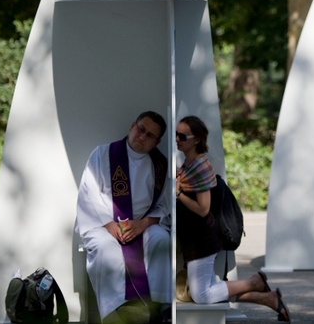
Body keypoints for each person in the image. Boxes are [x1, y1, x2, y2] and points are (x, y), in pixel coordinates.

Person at [175, 115, 291, 322]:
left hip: (203, 239)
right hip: (196, 238)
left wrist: (178, 194)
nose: (177, 139)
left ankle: (253, 282)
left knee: (202, 296)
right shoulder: (189, 164)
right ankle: (270, 300)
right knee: (211, 291)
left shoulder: (200, 167)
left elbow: (203, 209)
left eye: (182, 135)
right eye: (176, 134)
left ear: (197, 139)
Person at [76, 111, 171, 324]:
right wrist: (109, 224)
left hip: (141, 224)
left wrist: (143, 224)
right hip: (103, 223)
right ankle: (117, 311)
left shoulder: (160, 165)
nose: (142, 137)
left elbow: (164, 203)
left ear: (157, 142)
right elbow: (88, 193)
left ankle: (158, 306)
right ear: (132, 126)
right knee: (106, 249)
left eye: (150, 136)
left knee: (161, 239)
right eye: (141, 129)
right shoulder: (102, 154)